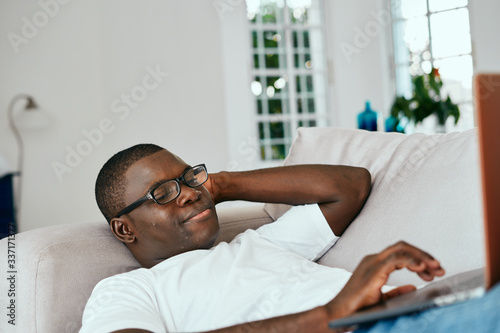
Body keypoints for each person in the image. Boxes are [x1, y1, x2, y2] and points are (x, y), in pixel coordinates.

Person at [81, 144, 499, 333]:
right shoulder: (129, 291)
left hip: (411, 311)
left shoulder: (259, 244)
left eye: (188, 177)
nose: (189, 191)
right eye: (163, 193)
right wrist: (328, 316)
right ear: (125, 228)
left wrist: (220, 185)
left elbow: (349, 186)